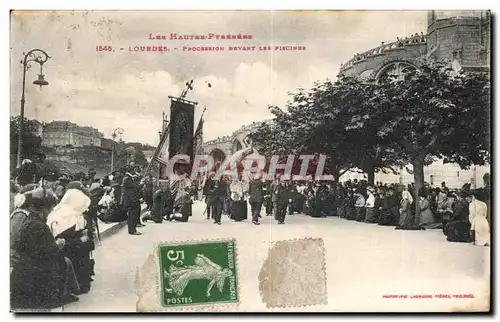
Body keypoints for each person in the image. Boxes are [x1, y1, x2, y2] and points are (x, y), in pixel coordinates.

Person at [11, 187, 80, 310]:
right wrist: (58, 244)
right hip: (36, 275)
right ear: (42, 208)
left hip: (27, 271)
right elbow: (45, 253)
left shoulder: (31, 221)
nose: (51, 210)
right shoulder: (38, 225)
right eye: (49, 207)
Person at [122, 168, 142, 235]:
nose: (135, 172)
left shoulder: (129, 178)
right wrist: (142, 183)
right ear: (130, 171)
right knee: (132, 216)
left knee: (133, 215)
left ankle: (133, 229)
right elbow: (135, 187)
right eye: (133, 170)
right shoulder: (127, 179)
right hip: (131, 200)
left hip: (132, 199)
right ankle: (132, 230)